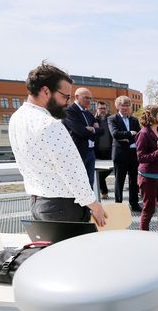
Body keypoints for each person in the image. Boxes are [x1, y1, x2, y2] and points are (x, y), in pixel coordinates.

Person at [8, 62, 106, 225]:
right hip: (64, 206)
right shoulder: (49, 124)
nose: (67, 102)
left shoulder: (16, 118)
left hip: (38, 203)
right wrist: (94, 206)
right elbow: (72, 170)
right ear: (46, 91)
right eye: (65, 96)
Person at [136, 105, 158, 234]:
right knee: (149, 209)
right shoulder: (144, 133)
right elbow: (141, 157)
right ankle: (143, 237)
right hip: (147, 176)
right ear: (153, 116)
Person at [63, 87, 103, 187]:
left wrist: (92, 129)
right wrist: (93, 131)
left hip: (90, 152)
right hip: (78, 152)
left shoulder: (88, 113)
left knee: (90, 184)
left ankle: (89, 203)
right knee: (79, 184)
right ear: (76, 96)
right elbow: (80, 131)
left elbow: (102, 131)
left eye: (90, 98)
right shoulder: (70, 111)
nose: (89, 101)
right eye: (86, 98)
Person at [108, 96, 141, 212]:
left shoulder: (134, 120)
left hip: (133, 154)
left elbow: (139, 135)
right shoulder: (112, 119)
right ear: (118, 106)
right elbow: (115, 134)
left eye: (127, 105)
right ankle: (118, 205)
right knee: (119, 181)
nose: (125, 108)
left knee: (134, 180)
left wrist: (126, 138)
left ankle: (134, 203)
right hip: (120, 155)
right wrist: (129, 133)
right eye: (123, 105)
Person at [94, 101, 113, 199]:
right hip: (98, 151)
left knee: (105, 173)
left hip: (110, 150)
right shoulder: (93, 120)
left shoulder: (111, 119)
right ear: (97, 109)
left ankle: (104, 191)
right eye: (100, 108)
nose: (102, 110)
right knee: (99, 173)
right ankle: (104, 192)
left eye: (104, 108)